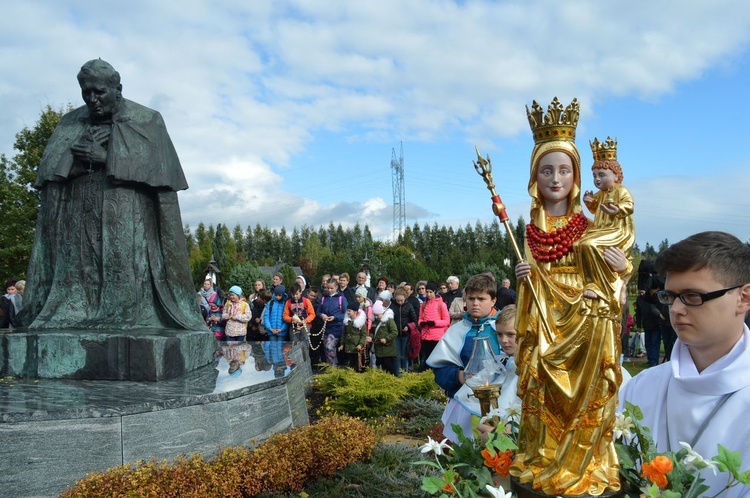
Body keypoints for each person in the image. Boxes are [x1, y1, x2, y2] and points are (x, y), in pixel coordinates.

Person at [19, 59, 205, 330]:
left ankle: (128, 316)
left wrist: (106, 157)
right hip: (80, 212)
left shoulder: (147, 119)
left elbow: (159, 173)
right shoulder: (70, 122)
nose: (92, 99)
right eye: (86, 93)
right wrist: (77, 163)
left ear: (117, 89)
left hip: (127, 213)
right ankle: (75, 315)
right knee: (81, 270)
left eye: (99, 92)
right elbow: (51, 173)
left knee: (124, 269)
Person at [510, 98, 629, 495]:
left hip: (586, 326)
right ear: (534, 176)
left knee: (588, 398)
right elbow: (532, 276)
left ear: (577, 176)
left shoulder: (594, 228)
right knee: (543, 393)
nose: (556, 178)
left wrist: (621, 271)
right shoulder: (529, 232)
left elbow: (617, 273)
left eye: (564, 170)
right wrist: (523, 278)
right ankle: (544, 457)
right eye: (547, 170)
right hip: (543, 326)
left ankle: (585, 462)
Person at [620, 232, 750, 498]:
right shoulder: (640, 387)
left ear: (744, 298)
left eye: (692, 296)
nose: (676, 309)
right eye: (670, 296)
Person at [427, 274, 502, 442]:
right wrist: (459, 376)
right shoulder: (456, 330)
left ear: (493, 300)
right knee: (467, 456)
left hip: (503, 403)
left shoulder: (505, 328)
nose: (475, 303)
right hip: (464, 404)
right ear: (465, 299)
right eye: (471, 298)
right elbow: (440, 370)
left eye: (481, 298)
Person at [580, 136, 636, 300]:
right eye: (595, 175)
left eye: (602, 175)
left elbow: (629, 206)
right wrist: (589, 203)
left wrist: (617, 209)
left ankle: (606, 285)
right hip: (601, 231)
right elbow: (595, 210)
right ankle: (598, 282)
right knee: (579, 244)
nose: (597, 179)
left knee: (588, 244)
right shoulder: (600, 194)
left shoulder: (621, 191)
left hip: (617, 231)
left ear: (616, 175)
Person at [418, 281, 451, 371]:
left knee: (436, 360)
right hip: (425, 336)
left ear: (435, 292)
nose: (428, 294)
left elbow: (447, 321)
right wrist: (421, 323)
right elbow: (420, 318)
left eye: (430, 292)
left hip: (437, 337)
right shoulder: (423, 305)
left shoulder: (441, 304)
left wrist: (435, 323)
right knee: (427, 360)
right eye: (427, 292)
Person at [317, 279, 348, 366]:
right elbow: (318, 312)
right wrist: (322, 315)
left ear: (336, 287)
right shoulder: (324, 298)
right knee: (326, 349)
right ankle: (331, 366)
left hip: (337, 328)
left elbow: (345, 314)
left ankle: (333, 367)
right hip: (325, 327)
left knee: (329, 346)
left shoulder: (341, 298)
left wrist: (335, 317)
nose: (329, 290)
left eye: (332, 288)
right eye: (328, 288)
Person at [391, 287, 418, 375]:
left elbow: (415, 321)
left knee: (405, 355)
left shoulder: (409, 306)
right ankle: (398, 374)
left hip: (406, 334)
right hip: (396, 335)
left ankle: (405, 373)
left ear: (405, 298)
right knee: (397, 355)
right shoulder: (392, 306)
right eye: (398, 300)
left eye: (401, 300)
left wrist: (408, 326)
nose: (399, 302)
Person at [371, 300, 398, 376]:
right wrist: (370, 337)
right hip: (379, 349)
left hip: (388, 349)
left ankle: (394, 379)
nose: (376, 317)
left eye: (377, 315)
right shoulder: (375, 321)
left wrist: (386, 339)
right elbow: (372, 332)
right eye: (375, 315)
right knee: (383, 368)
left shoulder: (389, 320)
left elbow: (394, 332)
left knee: (390, 366)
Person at [338, 300, 367, 370]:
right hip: (348, 347)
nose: (347, 312)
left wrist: (360, 344)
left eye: (349, 311)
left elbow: (363, 335)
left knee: (358, 364)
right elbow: (344, 334)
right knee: (350, 364)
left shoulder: (361, 323)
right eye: (347, 311)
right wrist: (342, 344)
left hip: (357, 348)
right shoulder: (347, 322)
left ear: (355, 312)